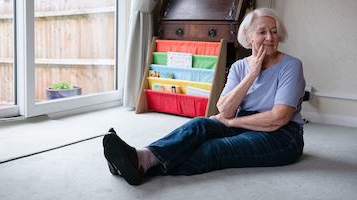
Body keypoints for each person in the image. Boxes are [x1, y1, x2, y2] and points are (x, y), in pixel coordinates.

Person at [102, 7, 305, 185]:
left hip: (283, 136)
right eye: (262, 32)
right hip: (243, 121)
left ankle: (136, 166)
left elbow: (279, 118)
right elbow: (224, 110)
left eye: (274, 32)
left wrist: (232, 123)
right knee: (200, 124)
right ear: (249, 36)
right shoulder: (239, 67)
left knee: (214, 149)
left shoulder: (291, 65)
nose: (270, 37)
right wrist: (251, 75)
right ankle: (141, 157)